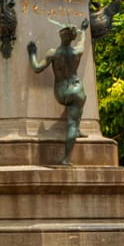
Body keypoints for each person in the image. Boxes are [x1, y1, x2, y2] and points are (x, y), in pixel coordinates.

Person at [28, 18, 90, 165]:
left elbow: (37, 68)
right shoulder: (77, 52)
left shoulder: (53, 53)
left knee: (76, 114)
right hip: (76, 88)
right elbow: (82, 41)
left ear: (60, 36)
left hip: (61, 92)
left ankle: (76, 132)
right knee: (73, 122)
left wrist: (31, 54)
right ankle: (66, 158)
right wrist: (84, 29)